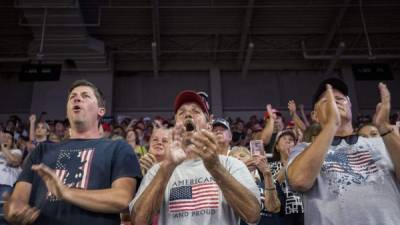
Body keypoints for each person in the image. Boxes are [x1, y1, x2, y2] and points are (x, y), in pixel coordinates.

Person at [4, 79, 142, 225]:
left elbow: (123, 199)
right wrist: (13, 209)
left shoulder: (118, 148)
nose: (77, 98)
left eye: (85, 96)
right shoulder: (42, 150)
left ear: (101, 110)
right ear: (67, 110)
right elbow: (18, 200)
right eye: (72, 97)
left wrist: (66, 192)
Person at [130, 90, 260, 225]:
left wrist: (215, 168)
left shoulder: (231, 164)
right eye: (181, 113)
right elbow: (139, 221)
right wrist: (167, 166)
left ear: (209, 126)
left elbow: (253, 214)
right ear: (176, 126)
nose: (187, 114)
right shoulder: (159, 170)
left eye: (196, 111)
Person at [287, 78, 400, 225]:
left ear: (350, 105)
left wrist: (384, 127)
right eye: (327, 100)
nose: (336, 101)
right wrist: (331, 125)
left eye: (341, 99)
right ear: (315, 115)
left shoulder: (381, 142)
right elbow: (299, 181)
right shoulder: (304, 149)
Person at [229, 146, 284, 225]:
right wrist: (241, 170)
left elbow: (273, 207)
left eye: (242, 156)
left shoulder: (268, 182)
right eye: (234, 158)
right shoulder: (227, 183)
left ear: (253, 159)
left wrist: (267, 174)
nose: (238, 159)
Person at [270, 130, 304, 225]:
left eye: (291, 140)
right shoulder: (272, 165)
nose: (288, 141)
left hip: (302, 209)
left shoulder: (301, 165)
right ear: (277, 147)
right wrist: (292, 158)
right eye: (284, 139)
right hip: (283, 210)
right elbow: (276, 182)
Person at [0, 130, 23, 225]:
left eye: (8, 137)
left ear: (13, 141)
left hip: (6, 186)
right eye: (3, 136)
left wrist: (2, 146)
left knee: (3, 215)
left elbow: (14, 161)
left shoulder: (16, 151)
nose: (5, 139)